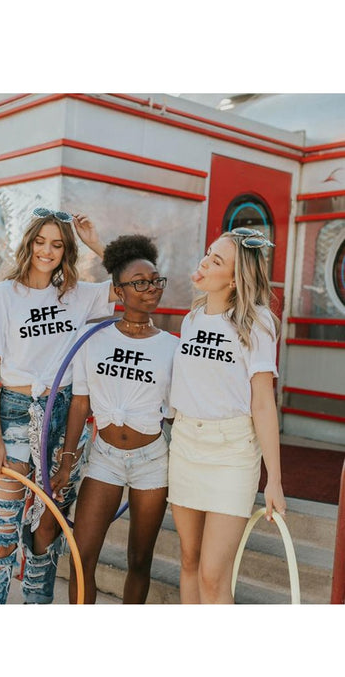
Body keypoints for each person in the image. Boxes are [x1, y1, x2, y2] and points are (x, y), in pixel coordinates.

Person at [0, 207, 117, 605]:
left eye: (56, 244)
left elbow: (132, 286)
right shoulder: (2, 295)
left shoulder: (77, 295)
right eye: (40, 241)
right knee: (2, 533)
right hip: (15, 411)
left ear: (66, 250)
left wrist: (96, 245)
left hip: (64, 415)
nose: (46, 251)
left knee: (48, 530)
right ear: (28, 243)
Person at [54, 234, 178, 604]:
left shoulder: (172, 347)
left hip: (152, 463)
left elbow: (174, 416)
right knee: (82, 554)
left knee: (140, 560)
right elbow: (80, 405)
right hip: (104, 459)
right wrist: (66, 462)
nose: (151, 288)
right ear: (119, 292)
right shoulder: (94, 338)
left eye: (156, 280)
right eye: (139, 282)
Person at [167, 227, 287, 604]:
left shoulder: (258, 323)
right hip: (186, 444)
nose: (204, 262)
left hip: (231, 452)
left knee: (212, 574)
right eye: (207, 253)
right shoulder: (193, 318)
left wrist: (275, 480)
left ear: (235, 280)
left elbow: (263, 403)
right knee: (188, 560)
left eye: (216, 260)